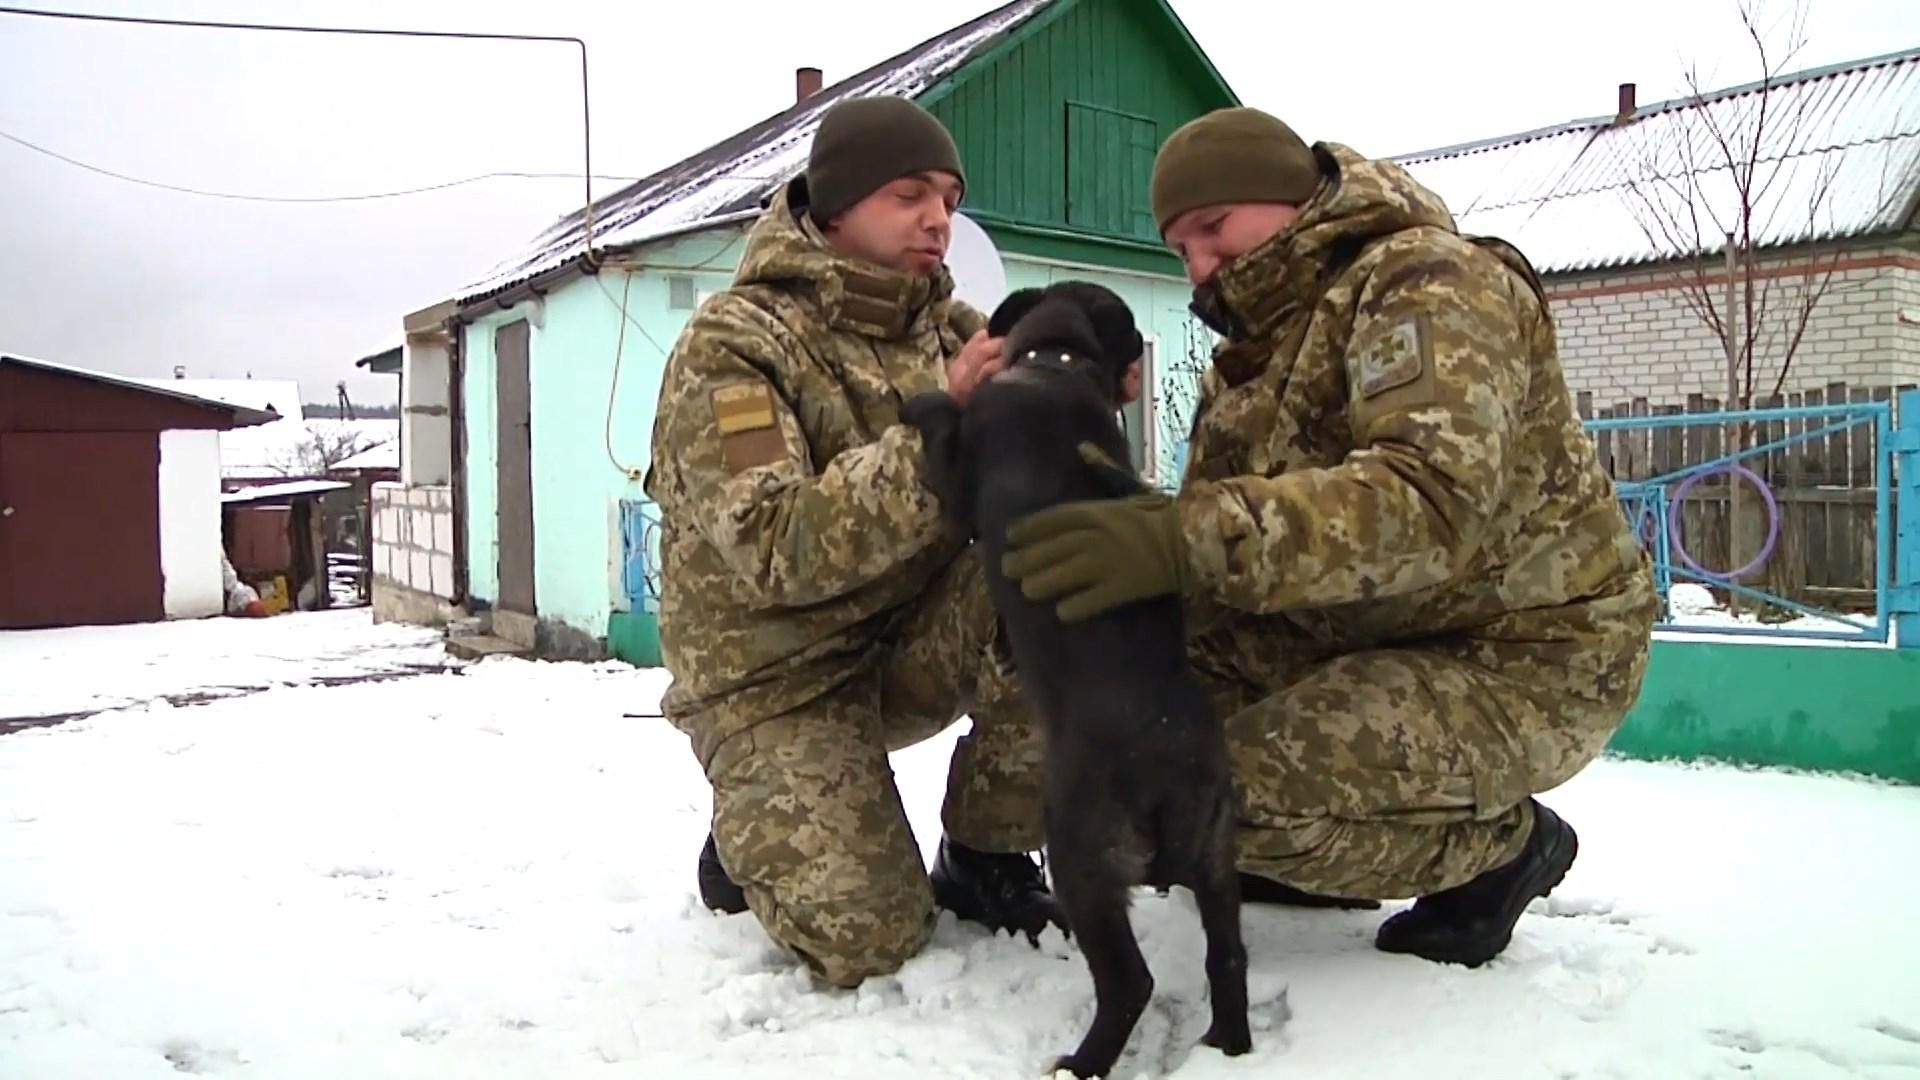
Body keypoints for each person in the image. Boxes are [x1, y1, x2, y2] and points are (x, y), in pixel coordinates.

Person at [996, 107, 1659, 968]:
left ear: (1288, 201)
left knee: (1211, 801)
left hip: (1524, 654)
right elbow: (1228, 547)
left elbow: (1427, 502)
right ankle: (1296, 844)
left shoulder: (1431, 282)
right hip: (1355, 629)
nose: (1200, 264)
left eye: (1212, 229)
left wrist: (1175, 539)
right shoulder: (1257, 352)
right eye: (1180, 250)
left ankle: (1507, 847)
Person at [643, 96, 1062, 988]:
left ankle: (987, 850)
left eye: (949, 197)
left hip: (906, 641)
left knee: (1063, 561)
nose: (938, 219)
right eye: (909, 193)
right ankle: (754, 822)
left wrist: (1070, 401)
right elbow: (773, 544)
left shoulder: (953, 330)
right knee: (868, 943)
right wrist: (941, 425)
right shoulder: (734, 343)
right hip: (777, 677)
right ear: (833, 208)